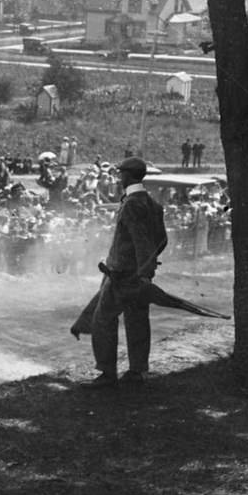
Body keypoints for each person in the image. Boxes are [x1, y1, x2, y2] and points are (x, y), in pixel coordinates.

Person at [75, 156, 168, 388]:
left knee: (103, 320)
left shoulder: (132, 204)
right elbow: (161, 240)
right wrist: (147, 271)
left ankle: (107, 374)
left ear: (127, 175)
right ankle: (137, 371)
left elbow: (142, 241)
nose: (118, 178)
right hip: (136, 276)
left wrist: (141, 272)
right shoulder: (152, 204)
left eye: (120, 174)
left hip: (122, 276)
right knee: (137, 321)